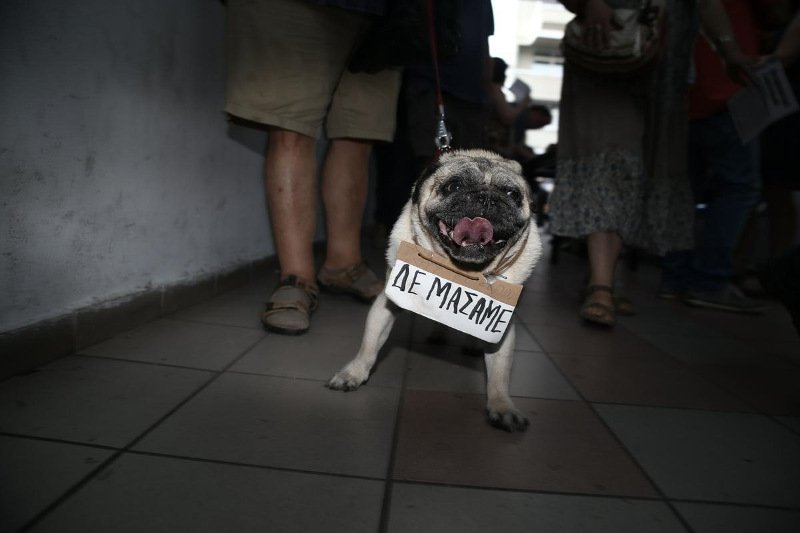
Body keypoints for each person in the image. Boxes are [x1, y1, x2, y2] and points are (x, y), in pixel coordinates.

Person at [550, 0, 753, 327]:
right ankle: (602, 284)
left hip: (664, 58)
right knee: (612, 161)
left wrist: (727, 47)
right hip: (607, 44)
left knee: (639, 170)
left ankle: (603, 275)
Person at [224, 0, 401, 335]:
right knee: (290, 125)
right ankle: (296, 276)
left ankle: (343, 263)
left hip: (386, 13)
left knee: (359, 133)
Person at [660, 0, 767, 314]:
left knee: (685, 191)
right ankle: (708, 281)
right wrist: (731, 49)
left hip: (685, 88)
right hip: (725, 85)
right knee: (740, 187)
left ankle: (674, 277)